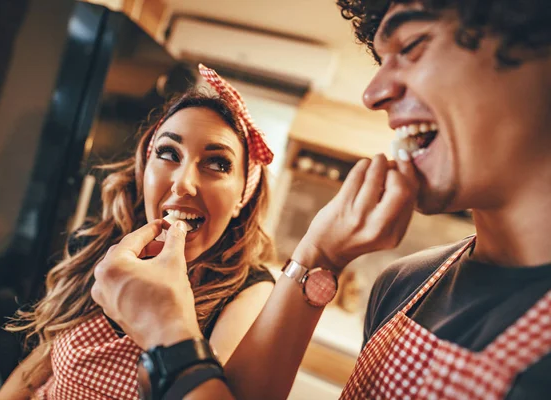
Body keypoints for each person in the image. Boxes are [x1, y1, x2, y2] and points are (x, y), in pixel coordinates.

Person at [91, 0, 551, 399]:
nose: (373, 94)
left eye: (411, 45)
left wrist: (168, 333)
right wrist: (319, 254)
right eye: (167, 153)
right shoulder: (406, 282)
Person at [0, 64, 278, 400]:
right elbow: (37, 367)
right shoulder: (98, 246)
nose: (183, 183)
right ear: (145, 174)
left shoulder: (249, 294)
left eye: (217, 163)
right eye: (169, 153)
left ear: (240, 199)